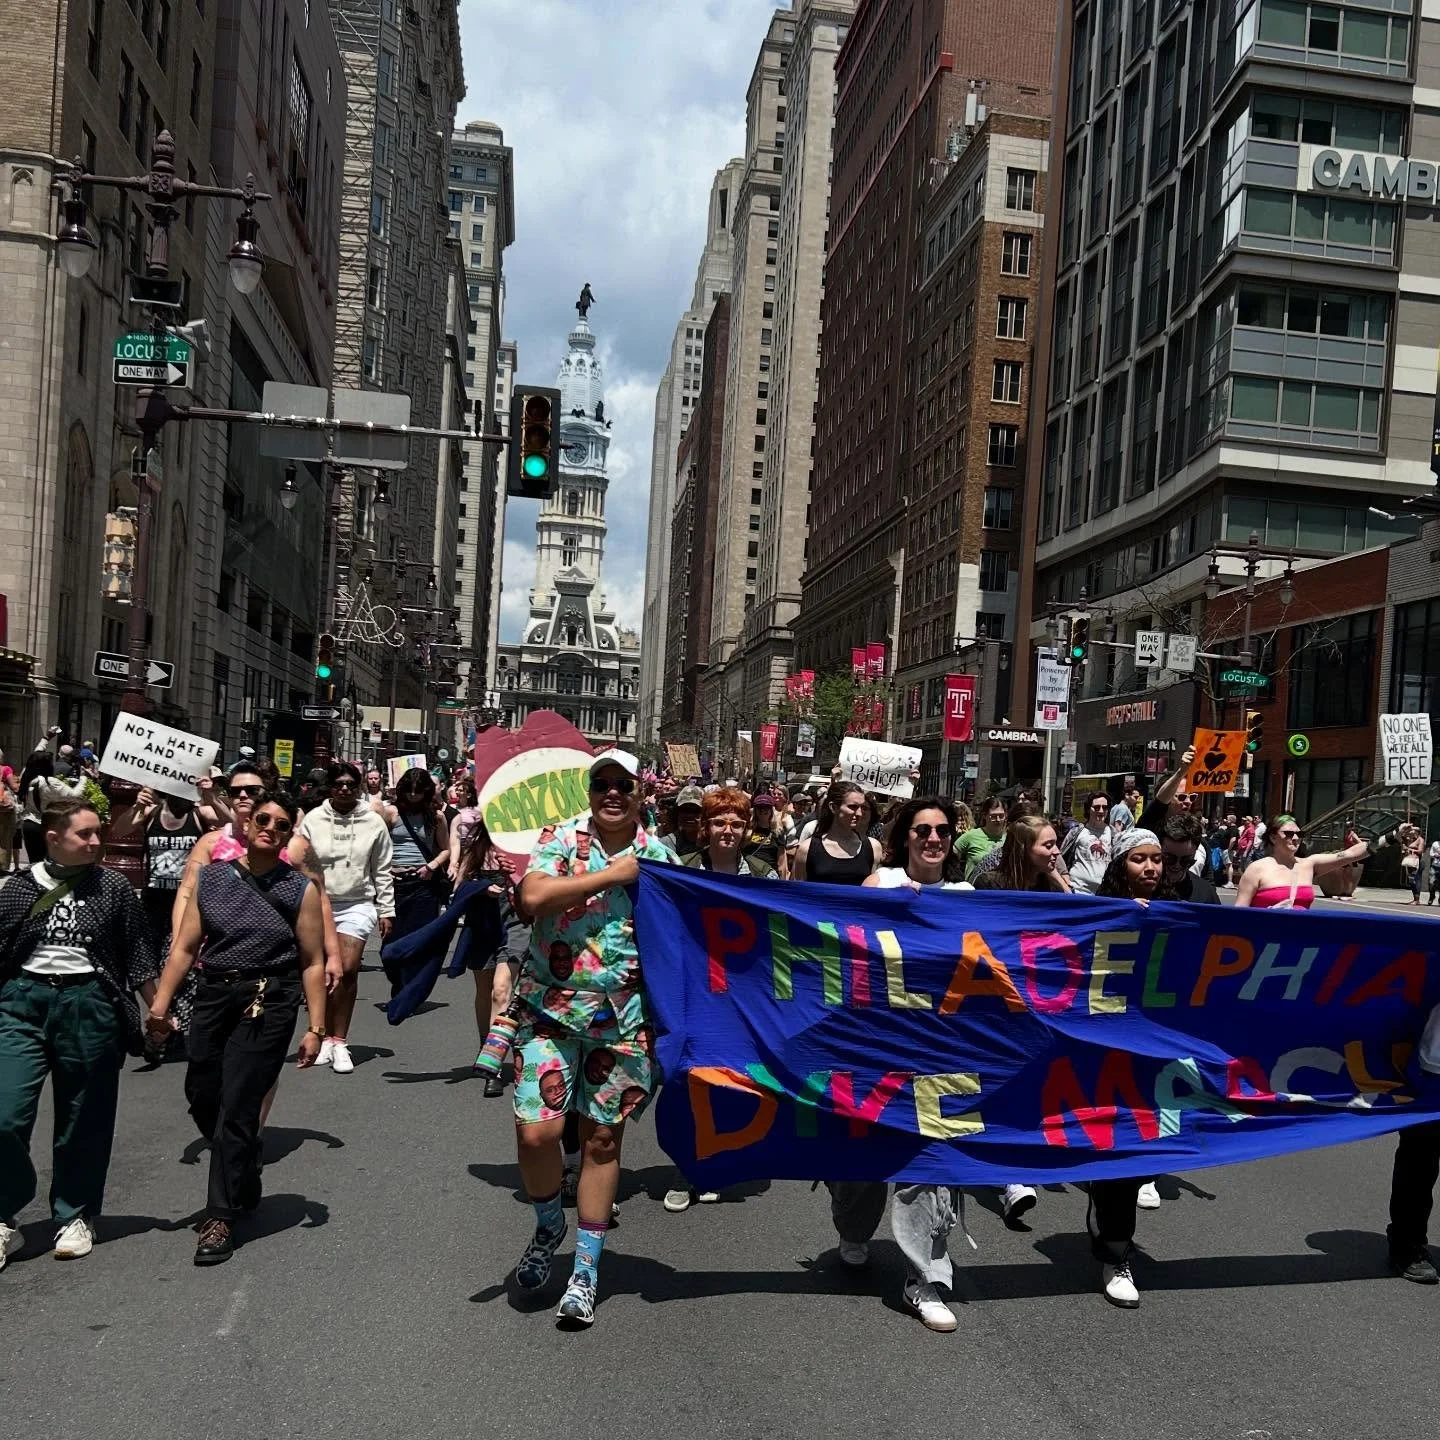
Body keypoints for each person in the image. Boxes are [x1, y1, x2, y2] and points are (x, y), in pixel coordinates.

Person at [509, 750, 672, 1327]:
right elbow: (532, 899)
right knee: (538, 1134)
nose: (611, 793)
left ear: (640, 791)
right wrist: (611, 875)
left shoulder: (660, 856)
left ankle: (584, 1269)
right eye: (600, 783)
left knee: (603, 1142)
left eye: (622, 784)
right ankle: (549, 1221)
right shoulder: (560, 841)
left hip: (624, 1022)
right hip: (551, 1011)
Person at [147, 789, 327, 1264]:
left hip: (269, 998)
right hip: (213, 994)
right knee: (202, 1092)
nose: (269, 827)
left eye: (281, 823)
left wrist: (317, 1027)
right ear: (247, 825)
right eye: (262, 819)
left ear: (290, 834)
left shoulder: (299, 889)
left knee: (238, 1104)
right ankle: (243, 1167)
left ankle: (218, 1217)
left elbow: (312, 961)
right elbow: (185, 948)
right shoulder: (212, 879)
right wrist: (160, 1007)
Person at [0, 798, 159, 1269]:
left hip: (89, 1003)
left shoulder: (112, 888)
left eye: (97, 833)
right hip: (22, 1003)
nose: (96, 842)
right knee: (5, 1114)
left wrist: (158, 1011)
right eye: (85, 834)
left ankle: (75, 1214)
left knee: (83, 1116)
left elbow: (138, 955)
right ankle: (5, 1210)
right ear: (53, 838)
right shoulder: (18, 889)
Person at [856, 795, 975, 1330]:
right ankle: (853, 1225)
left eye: (942, 831)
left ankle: (922, 1279)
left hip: (944, 1046)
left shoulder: (968, 895)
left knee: (932, 1162)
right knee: (857, 1165)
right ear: (906, 836)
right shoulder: (879, 883)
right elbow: (838, 939)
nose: (933, 838)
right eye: (922, 829)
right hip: (879, 1044)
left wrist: (1125, 911)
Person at [662, 785, 777, 1214]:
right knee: (687, 1078)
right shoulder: (680, 868)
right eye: (718, 822)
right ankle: (685, 1169)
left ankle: (716, 1165)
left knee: (732, 1080)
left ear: (747, 828)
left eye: (736, 822)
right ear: (704, 828)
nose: (727, 830)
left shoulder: (764, 876)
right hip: (692, 991)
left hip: (744, 995)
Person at [1080, 828, 1176, 1306]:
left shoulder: (1187, 901)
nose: (1151, 869)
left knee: (1142, 1154)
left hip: (1160, 1053)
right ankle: (1116, 1253)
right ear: (1120, 865)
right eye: (1140, 860)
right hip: (1104, 1049)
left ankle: (1108, 1213)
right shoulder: (1092, 913)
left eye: (1157, 859)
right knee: (1118, 1149)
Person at [299, 761, 395, 1074]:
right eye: (338, 784)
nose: (343, 789)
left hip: (357, 903)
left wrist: (386, 909)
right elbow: (299, 862)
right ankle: (322, 1034)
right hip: (318, 902)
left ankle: (340, 1041)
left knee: (349, 969)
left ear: (359, 788)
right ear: (329, 787)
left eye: (350, 785)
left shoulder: (373, 822)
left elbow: (381, 868)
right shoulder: (313, 820)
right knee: (325, 972)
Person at [451, 814, 523, 1094]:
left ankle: (493, 1064)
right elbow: (458, 889)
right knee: (483, 990)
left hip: (516, 922)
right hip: (483, 923)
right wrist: (481, 887)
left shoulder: (524, 846)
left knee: (501, 989)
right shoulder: (477, 847)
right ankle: (486, 1046)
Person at [378, 769, 451, 998]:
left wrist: (432, 866)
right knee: (389, 943)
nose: (412, 795)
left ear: (426, 792)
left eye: (418, 792)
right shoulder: (391, 813)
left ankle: (407, 992)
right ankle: (397, 978)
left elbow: (446, 849)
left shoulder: (436, 816)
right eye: (409, 791)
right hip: (395, 883)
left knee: (418, 940)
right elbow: (377, 844)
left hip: (423, 884)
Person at [1233, 814, 1383, 910]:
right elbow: (1239, 913)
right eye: (1289, 834)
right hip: (1265, 943)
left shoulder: (1309, 864)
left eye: (1299, 834)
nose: (1296, 838)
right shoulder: (1256, 869)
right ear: (1273, 837)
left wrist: (1391, 837)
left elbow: (1349, 854)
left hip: (1301, 945)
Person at [793, 781, 882, 884]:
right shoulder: (807, 849)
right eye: (852, 807)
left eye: (862, 807)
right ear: (834, 807)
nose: (859, 813)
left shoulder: (873, 848)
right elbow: (798, 894)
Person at [16, 751, 87, 865]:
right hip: (44, 823)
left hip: (28, 823)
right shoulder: (50, 782)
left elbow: (33, 757)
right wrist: (83, 777)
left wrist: (45, 739)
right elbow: (75, 795)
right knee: (47, 863)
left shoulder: (26, 777)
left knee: (33, 863)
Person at [1061, 791, 1113, 895]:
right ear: (1088, 809)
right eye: (1097, 807)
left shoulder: (1114, 834)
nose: (1101, 811)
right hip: (1077, 890)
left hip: (1103, 893)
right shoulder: (1076, 832)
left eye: (1105, 807)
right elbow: (1060, 857)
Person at [953, 796, 1007, 881]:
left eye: (1001, 816)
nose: (998, 819)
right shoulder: (971, 836)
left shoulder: (1009, 838)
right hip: (974, 890)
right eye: (993, 816)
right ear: (984, 815)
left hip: (999, 891)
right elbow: (951, 857)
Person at [743, 790, 790, 878]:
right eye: (759, 807)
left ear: (771, 810)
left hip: (769, 876)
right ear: (755, 810)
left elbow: (782, 862)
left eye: (766, 807)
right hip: (749, 876)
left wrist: (782, 884)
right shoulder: (747, 830)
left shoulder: (777, 832)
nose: (763, 810)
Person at [657, 785, 704, 861]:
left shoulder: (713, 845)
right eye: (684, 809)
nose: (689, 815)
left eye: (696, 811)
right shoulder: (666, 845)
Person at [0, 748, 17, 874]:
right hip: (4, 809)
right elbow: (14, 787)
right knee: (5, 838)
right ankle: (1, 866)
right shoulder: (6, 769)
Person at [1400, 825, 1425, 905]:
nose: (1410, 832)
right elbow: (1402, 836)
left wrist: (1410, 849)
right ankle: (1415, 898)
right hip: (1410, 861)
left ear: (1417, 832)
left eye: (1412, 830)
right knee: (1411, 881)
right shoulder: (1409, 839)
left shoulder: (1420, 840)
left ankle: (1417, 899)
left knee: (1415, 880)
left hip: (1417, 862)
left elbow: (1420, 851)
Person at [1428, 837, 1440, 906]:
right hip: (1434, 866)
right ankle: (1432, 896)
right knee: (1431, 883)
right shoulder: (1435, 843)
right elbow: (1431, 854)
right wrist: (1435, 855)